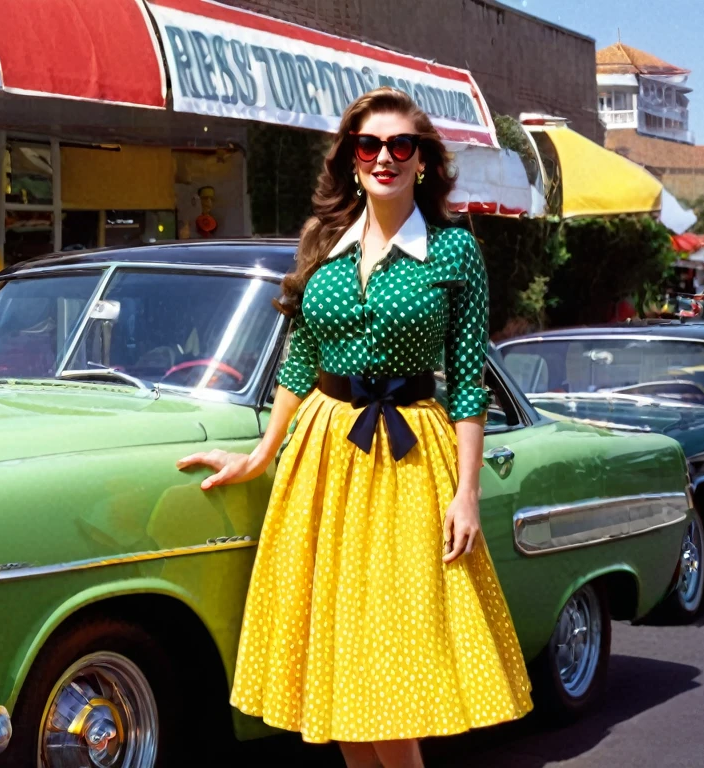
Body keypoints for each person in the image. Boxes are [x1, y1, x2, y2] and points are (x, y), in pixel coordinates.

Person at [177, 88, 531, 768]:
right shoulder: (323, 245)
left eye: (402, 146)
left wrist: (466, 493)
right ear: (352, 158)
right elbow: (301, 358)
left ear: (423, 162)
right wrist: (260, 454)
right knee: (343, 679)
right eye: (371, 146)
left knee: (388, 678)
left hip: (407, 468)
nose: (385, 158)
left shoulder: (455, 252)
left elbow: (465, 382)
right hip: (325, 458)